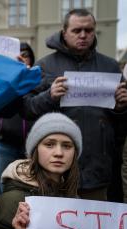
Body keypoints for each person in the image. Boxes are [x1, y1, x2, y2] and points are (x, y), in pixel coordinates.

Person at [22, 8, 127, 201]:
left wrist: (121, 107)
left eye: (89, 30)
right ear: (64, 32)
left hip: (98, 168)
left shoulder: (110, 66)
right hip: (55, 171)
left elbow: (120, 125)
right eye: (77, 30)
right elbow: (27, 109)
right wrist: (49, 96)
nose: (83, 35)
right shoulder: (44, 66)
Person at [0, 112, 82, 229]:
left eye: (67, 146)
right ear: (35, 150)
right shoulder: (13, 200)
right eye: (49, 144)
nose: (59, 153)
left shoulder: (76, 200)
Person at [0, 42, 36, 194]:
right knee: (4, 186)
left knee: (31, 187)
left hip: (32, 145)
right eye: (17, 56)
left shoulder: (37, 78)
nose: (21, 59)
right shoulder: (2, 79)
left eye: (26, 55)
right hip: (6, 143)